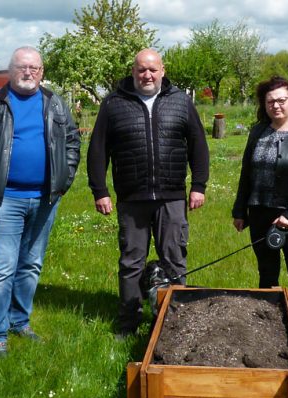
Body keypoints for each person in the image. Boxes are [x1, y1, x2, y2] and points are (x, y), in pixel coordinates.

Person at [88, 48, 210, 338]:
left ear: (162, 71)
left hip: (172, 197)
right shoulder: (114, 103)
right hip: (132, 198)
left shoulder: (180, 102)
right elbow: (97, 149)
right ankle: (128, 321)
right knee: (131, 262)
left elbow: (198, 145)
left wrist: (199, 186)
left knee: (174, 259)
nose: (147, 75)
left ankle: (174, 321)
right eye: (141, 69)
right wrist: (100, 190)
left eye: (152, 70)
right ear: (133, 72)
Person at [0, 46, 80, 357]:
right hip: (6, 200)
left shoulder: (55, 103)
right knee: (2, 268)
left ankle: (20, 321)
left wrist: (63, 181)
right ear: (10, 71)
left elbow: (72, 141)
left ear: (42, 72)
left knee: (30, 265)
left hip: (45, 199)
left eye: (34, 67)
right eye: (21, 67)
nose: (28, 72)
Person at [231, 76, 288, 352]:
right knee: (267, 275)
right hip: (260, 214)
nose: (276, 106)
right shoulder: (258, 132)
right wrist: (241, 210)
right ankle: (267, 333)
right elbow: (246, 174)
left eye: (282, 100)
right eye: (270, 101)